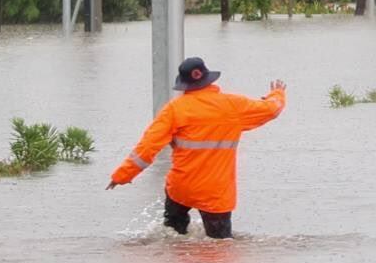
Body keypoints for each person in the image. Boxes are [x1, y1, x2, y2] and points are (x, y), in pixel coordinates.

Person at [107, 58, 287, 239]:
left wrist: (122, 176)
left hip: (181, 187)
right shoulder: (233, 106)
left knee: (171, 239)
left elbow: (147, 147)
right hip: (216, 192)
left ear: (184, 84)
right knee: (220, 249)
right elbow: (271, 109)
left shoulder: (174, 110)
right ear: (209, 79)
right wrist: (277, 93)